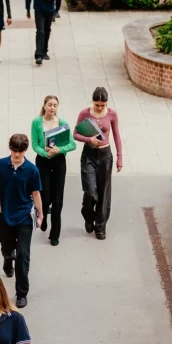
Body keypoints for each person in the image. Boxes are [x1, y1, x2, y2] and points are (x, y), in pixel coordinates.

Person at [0, 134, 43, 308]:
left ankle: (21, 292)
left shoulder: (32, 170)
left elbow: (36, 194)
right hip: (5, 215)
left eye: (20, 151)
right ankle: (7, 257)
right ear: (10, 148)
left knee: (23, 254)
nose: (17, 154)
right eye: (14, 150)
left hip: (24, 217)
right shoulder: (0, 165)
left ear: (25, 150)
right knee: (7, 247)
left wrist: (41, 215)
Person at [73, 87, 123, 240]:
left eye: (103, 105)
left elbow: (116, 136)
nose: (100, 107)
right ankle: (88, 216)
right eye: (97, 105)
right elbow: (75, 134)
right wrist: (89, 140)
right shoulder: (85, 113)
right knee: (90, 191)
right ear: (92, 102)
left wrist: (120, 157)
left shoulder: (112, 114)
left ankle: (100, 225)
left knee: (104, 192)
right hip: (89, 155)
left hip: (105, 155)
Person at [31, 95, 77, 246]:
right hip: (43, 161)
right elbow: (35, 144)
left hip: (58, 161)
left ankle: (55, 233)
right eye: (49, 104)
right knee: (44, 196)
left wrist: (59, 149)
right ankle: (42, 216)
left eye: (55, 105)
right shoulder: (37, 122)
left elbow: (72, 144)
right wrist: (45, 153)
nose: (52, 107)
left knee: (58, 198)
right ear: (44, 106)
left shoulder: (62, 123)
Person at [25, 0, 65, 65]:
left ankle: (44, 51)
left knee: (47, 30)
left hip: (49, 9)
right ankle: (38, 55)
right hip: (38, 9)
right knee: (40, 31)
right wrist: (27, 9)